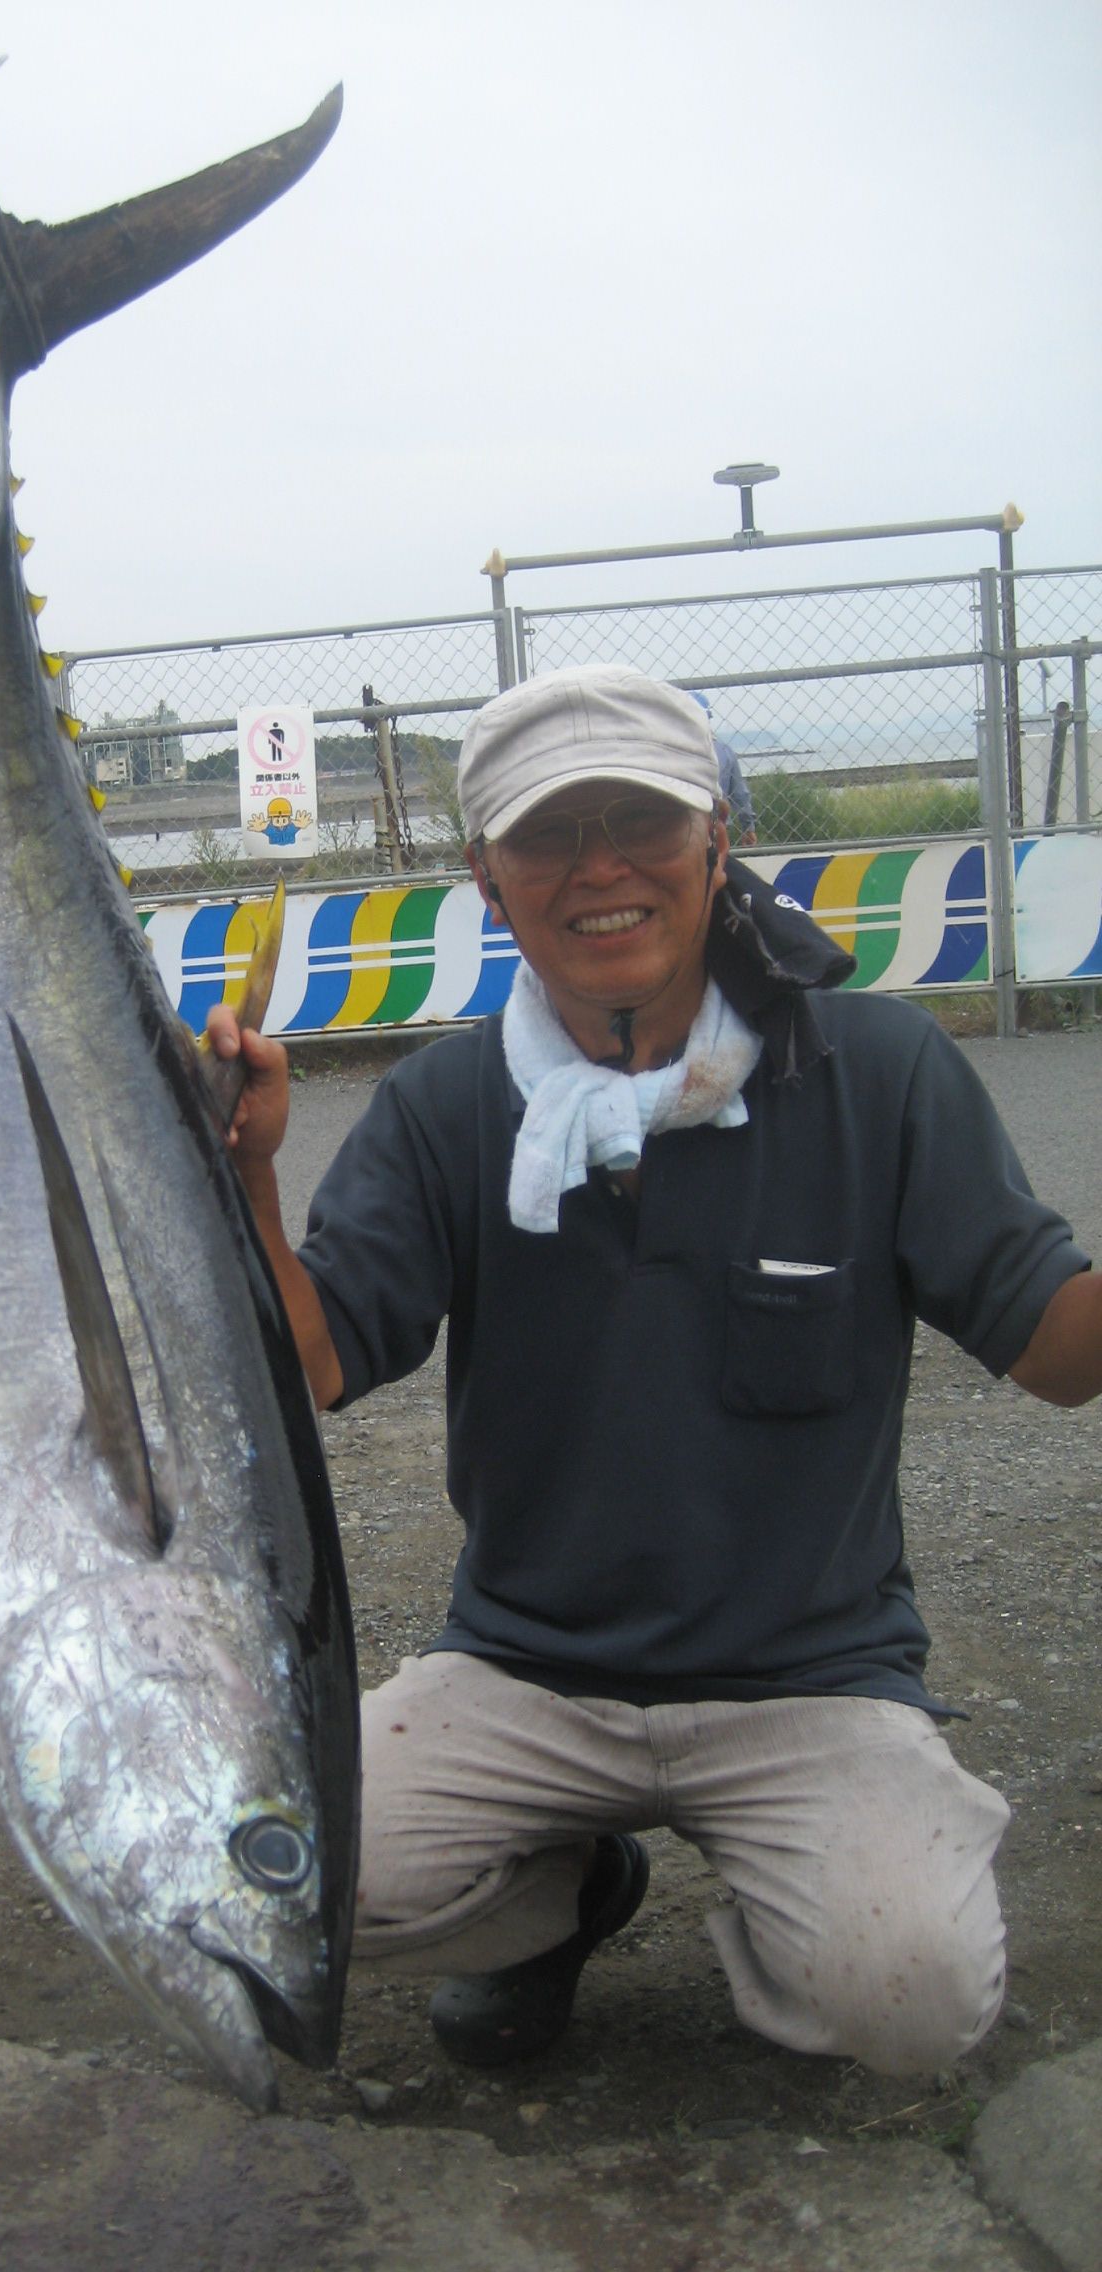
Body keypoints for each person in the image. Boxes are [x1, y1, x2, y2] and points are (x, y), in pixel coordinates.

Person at [205, 662, 1100, 2079]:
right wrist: (244, 1174)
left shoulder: (878, 1069)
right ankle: (566, 1892)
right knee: (271, 1878)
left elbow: (1057, 1350)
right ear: (488, 881)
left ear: (718, 840)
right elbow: (305, 1369)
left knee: (908, 1997)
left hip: (814, 1678)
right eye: (549, 836)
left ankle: (797, 1883)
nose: (601, 867)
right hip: (525, 1668)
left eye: (643, 821)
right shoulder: (444, 1105)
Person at [692, 688, 757, 845]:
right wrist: (748, 826)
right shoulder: (724, 751)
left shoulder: (672, 752)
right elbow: (740, 794)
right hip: (716, 825)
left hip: (683, 826)